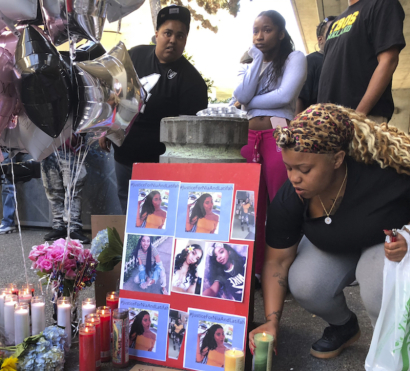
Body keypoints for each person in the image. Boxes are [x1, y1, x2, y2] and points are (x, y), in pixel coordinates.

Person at [248, 103, 410, 371]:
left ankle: (391, 349)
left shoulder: (385, 172)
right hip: (339, 242)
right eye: (288, 167)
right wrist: (272, 323)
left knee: (377, 286)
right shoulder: (292, 195)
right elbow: (277, 262)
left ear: (337, 159)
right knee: (305, 283)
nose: (294, 178)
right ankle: (344, 327)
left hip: (390, 239)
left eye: (304, 169)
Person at [98, 5, 208, 212]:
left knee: (156, 216)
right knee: (127, 207)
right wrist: (106, 127)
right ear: (157, 34)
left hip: (161, 166)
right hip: (124, 155)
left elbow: (190, 137)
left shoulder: (192, 83)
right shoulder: (134, 56)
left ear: (185, 40)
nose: (173, 40)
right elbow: (113, 94)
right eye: (167, 33)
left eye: (180, 35)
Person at [233, 10, 307, 281]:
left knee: (281, 201)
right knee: (246, 206)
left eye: (266, 29)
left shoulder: (293, 58)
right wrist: (256, 59)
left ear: (281, 33)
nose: (260, 36)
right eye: (255, 31)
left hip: (278, 132)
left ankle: (282, 270)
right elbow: (240, 94)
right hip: (248, 137)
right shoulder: (252, 60)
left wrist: (249, 103)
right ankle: (248, 270)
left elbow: (286, 95)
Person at [317, 0, 405, 122]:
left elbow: (388, 60)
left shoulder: (382, 4)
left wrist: (358, 116)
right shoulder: (336, 22)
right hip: (330, 121)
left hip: (363, 117)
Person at [40, 138, 90, 244]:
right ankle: (59, 226)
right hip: (47, 148)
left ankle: (73, 228)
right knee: (53, 190)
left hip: (72, 147)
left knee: (73, 190)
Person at [296, 16, 337, 114]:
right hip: (319, 121)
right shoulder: (311, 60)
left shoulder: (344, 61)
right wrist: (296, 126)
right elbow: (300, 96)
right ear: (320, 39)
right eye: (333, 29)